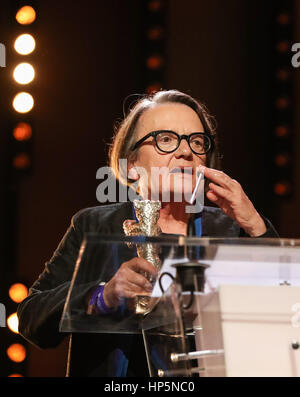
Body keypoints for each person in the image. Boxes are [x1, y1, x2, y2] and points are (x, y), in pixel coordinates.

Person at [17, 89, 278, 377]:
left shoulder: (232, 229)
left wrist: (255, 225)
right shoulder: (95, 225)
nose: (186, 151)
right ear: (131, 167)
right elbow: (32, 318)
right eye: (165, 139)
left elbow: (284, 316)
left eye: (197, 141)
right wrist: (103, 296)